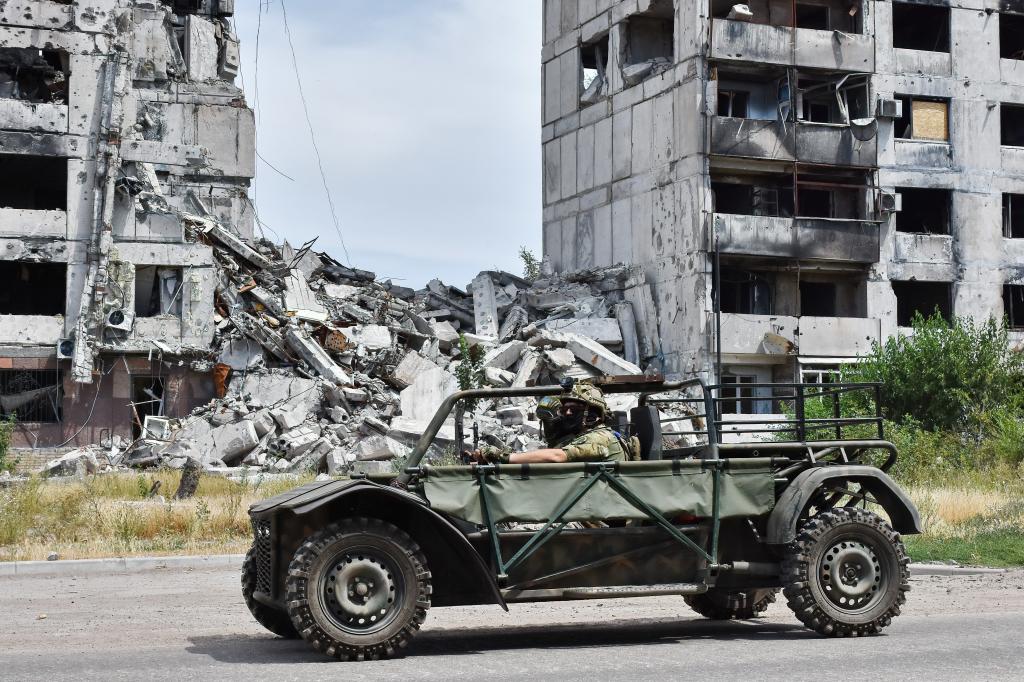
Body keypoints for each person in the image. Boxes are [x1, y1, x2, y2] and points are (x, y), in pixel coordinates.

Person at [470, 383, 637, 464]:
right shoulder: (579, 437)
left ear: (593, 414)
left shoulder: (601, 437)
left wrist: (505, 458)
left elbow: (557, 456)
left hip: (600, 512)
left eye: (574, 409)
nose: (568, 413)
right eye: (564, 410)